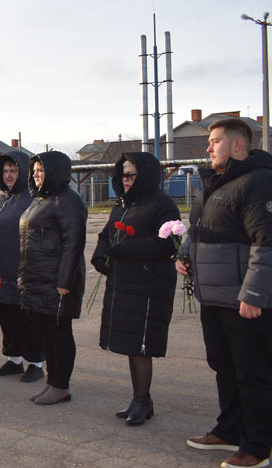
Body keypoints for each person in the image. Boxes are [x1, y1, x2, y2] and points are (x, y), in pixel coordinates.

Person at [177, 118, 272, 468]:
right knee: (225, 368)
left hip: (251, 301)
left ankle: (256, 448)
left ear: (237, 144)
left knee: (253, 374)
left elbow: (271, 245)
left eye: (215, 141)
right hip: (217, 298)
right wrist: (184, 254)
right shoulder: (217, 183)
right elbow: (199, 229)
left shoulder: (262, 182)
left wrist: (254, 295)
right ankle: (228, 430)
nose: (208, 147)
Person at [90, 152, 179, 426]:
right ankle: (139, 398)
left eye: (131, 175)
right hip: (124, 283)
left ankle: (142, 400)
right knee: (131, 343)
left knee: (141, 345)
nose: (125, 180)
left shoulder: (162, 204)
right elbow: (108, 233)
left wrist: (125, 249)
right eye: (123, 175)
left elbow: (167, 244)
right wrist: (101, 254)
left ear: (145, 176)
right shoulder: (123, 203)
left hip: (148, 285)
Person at [19, 151, 87, 406]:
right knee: (47, 333)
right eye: (34, 170)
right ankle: (52, 380)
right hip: (38, 278)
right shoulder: (41, 199)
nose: (36, 175)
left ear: (55, 172)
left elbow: (73, 244)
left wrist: (64, 282)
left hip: (57, 281)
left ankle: (61, 385)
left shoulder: (68, 201)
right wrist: (23, 274)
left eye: (41, 170)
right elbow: (29, 241)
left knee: (59, 333)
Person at [0, 151, 44, 383]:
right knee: (4, 313)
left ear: (23, 172)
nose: (9, 175)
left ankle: (36, 363)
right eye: (6, 171)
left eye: (14, 171)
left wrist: (28, 269)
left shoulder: (33, 197)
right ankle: (14, 359)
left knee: (27, 318)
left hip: (19, 269)